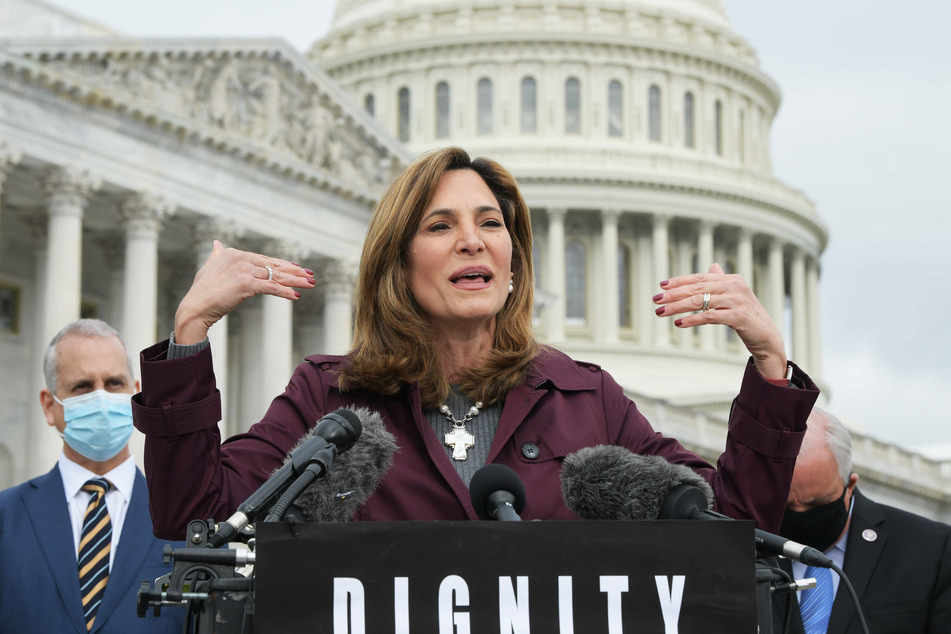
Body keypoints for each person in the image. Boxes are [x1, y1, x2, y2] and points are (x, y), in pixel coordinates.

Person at [132, 146, 819, 540]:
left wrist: (768, 370)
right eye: (440, 225)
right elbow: (198, 517)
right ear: (397, 264)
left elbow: (726, 529)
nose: (472, 239)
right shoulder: (329, 396)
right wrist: (188, 340)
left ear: (511, 261)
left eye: (490, 223)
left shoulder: (584, 398)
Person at [0, 319, 184, 632]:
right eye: (82, 387)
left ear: (136, 396)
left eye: (114, 383)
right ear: (49, 406)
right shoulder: (6, 518)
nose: (101, 399)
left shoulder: (187, 526)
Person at [773, 407, 951, 633]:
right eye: (787, 505)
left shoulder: (930, 548)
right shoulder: (744, 545)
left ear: (850, 486)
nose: (801, 514)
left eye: (817, 503)